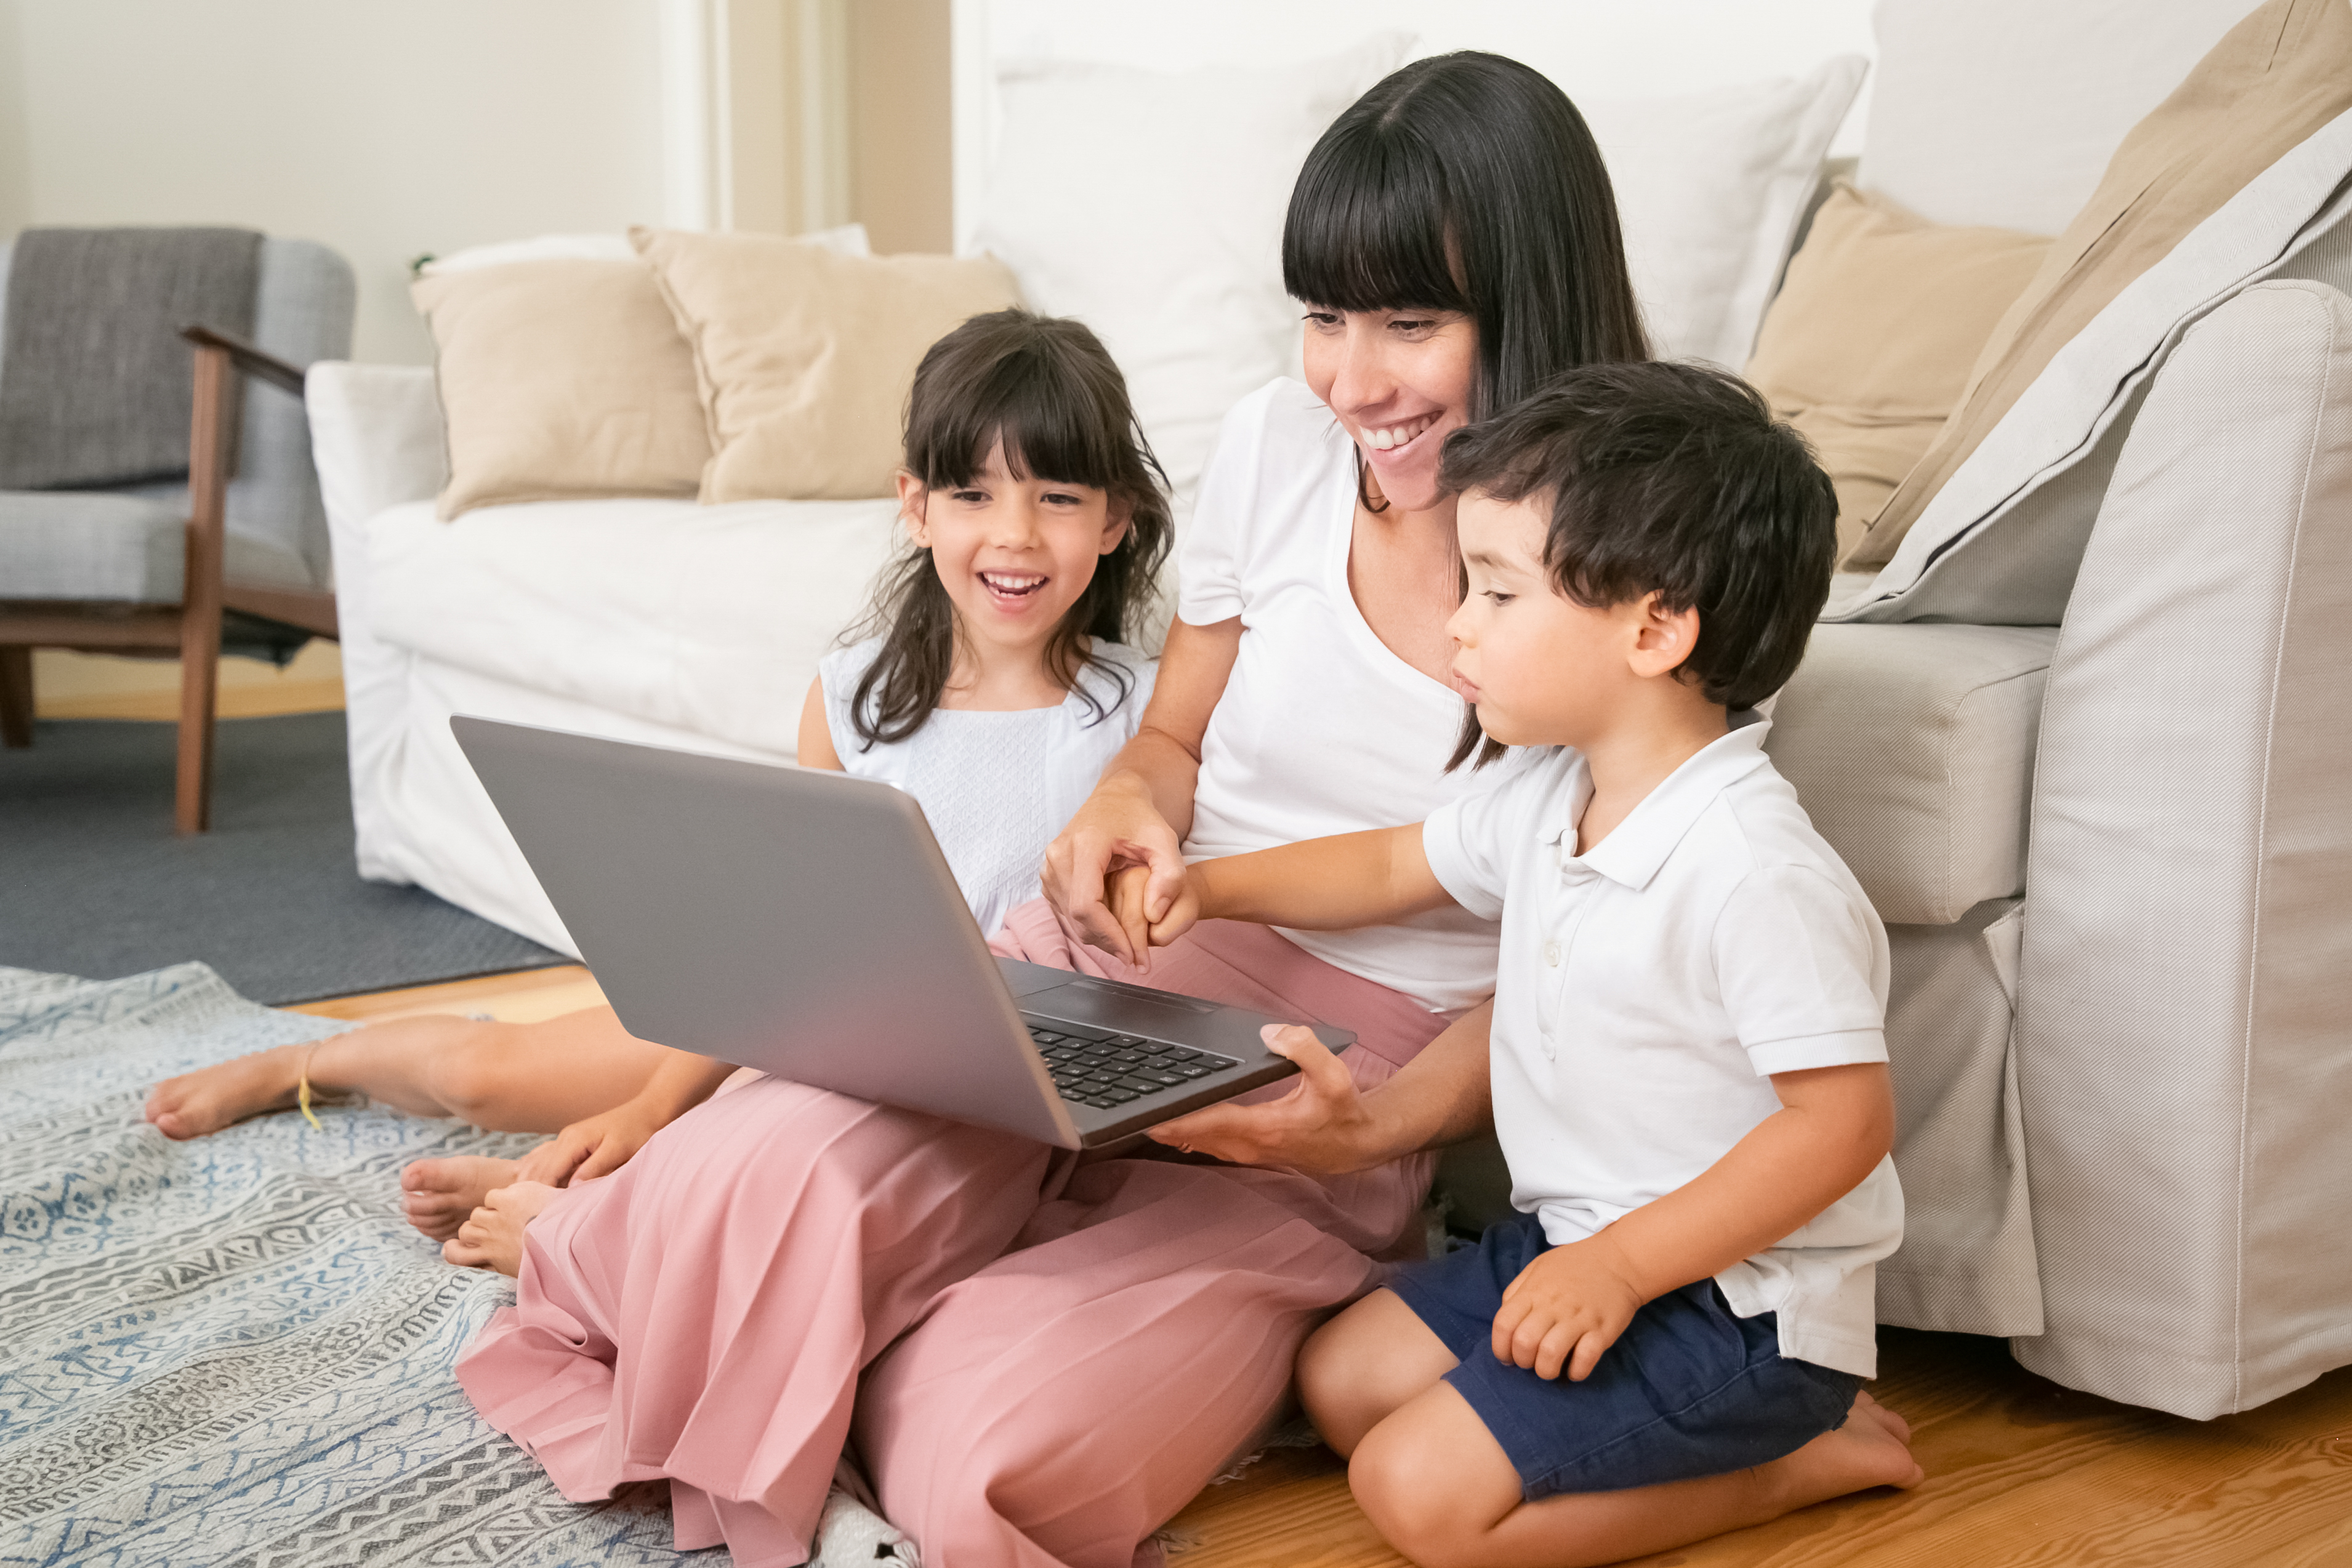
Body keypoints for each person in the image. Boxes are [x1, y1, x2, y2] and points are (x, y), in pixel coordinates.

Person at [296, 52, 1646, 1568]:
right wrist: (1122, 804)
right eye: (1325, 318)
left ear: (1528, 301)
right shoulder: (1282, 444)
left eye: (1409, 324)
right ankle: (750, 1292)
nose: (1349, 382)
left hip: (1346, 1071)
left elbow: (1572, 963)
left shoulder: (1635, 570)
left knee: (974, 1456)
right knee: (748, 1183)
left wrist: (1372, 1131)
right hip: (1116, 969)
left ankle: (793, 1324)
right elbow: (1172, 732)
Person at [1113, 362, 1921, 1567]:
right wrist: (1209, 885)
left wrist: (1621, 1267)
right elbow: (1394, 862)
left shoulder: (1753, 869)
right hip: (1577, 1242)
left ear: (1653, 628)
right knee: (1341, 1382)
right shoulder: (1553, 791)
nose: (1458, 623)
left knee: (1416, 1494)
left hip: (1739, 1305)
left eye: (1496, 590)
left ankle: (1798, 1458)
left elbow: (1842, 1126)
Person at [140, 308, 1170, 1236]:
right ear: (917, 507)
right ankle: (308, 1063)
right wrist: (649, 1103)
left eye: (1058, 497)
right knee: (493, 1076)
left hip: (1002, 1078)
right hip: (822, 1030)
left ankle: (574, 1209)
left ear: (1114, 519)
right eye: (974, 494)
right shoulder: (854, 698)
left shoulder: (1146, 719)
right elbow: (797, 943)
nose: (1014, 534)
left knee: (745, 1157)